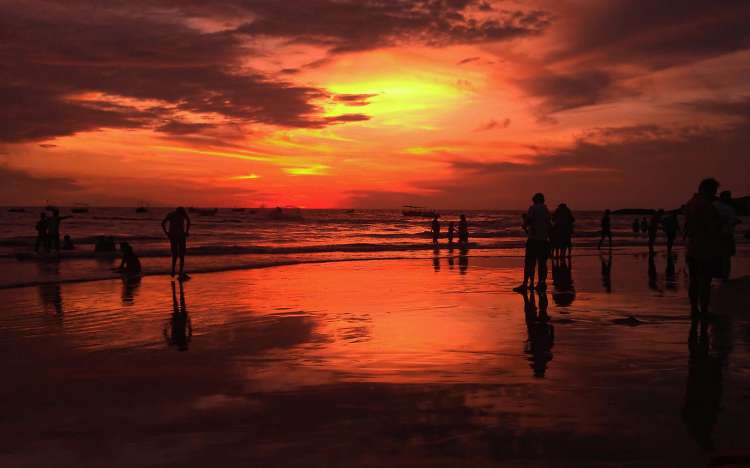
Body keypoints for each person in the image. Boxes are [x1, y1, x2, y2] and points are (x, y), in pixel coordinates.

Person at [684, 178, 722, 318]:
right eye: (713, 191)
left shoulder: (690, 203)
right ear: (707, 190)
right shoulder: (705, 205)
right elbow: (711, 227)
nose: (714, 194)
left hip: (692, 246)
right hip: (704, 247)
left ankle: (694, 310)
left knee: (694, 281)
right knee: (705, 281)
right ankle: (704, 311)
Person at [514, 193, 550, 292]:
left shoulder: (533, 208)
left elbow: (528, 221)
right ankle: (541, 283)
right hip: (543, 240)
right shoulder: (546, 210)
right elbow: (549, 224)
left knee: (530, 263)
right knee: (542, 263)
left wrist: (525, 222)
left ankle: (526, 283)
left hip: (533, 239)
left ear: (534, 200)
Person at [714, 191, 740, 280]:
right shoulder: (729, 208)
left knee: (718, 256)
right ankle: (724, 276)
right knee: (726, 256)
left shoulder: (713, 205)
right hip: (726, 234)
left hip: (715, 235)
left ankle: (719, 274)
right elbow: (733, 221)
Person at [162, 207, 191, 280]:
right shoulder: (182, 214)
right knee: (181, 255)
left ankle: (173, 270)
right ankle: (180, 272)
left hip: (172, 236)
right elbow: (188, 221)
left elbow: (162, 223)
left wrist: (166, 233)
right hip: (181, 236)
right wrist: (187, 232)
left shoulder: (171, 214)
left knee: (174, 254)